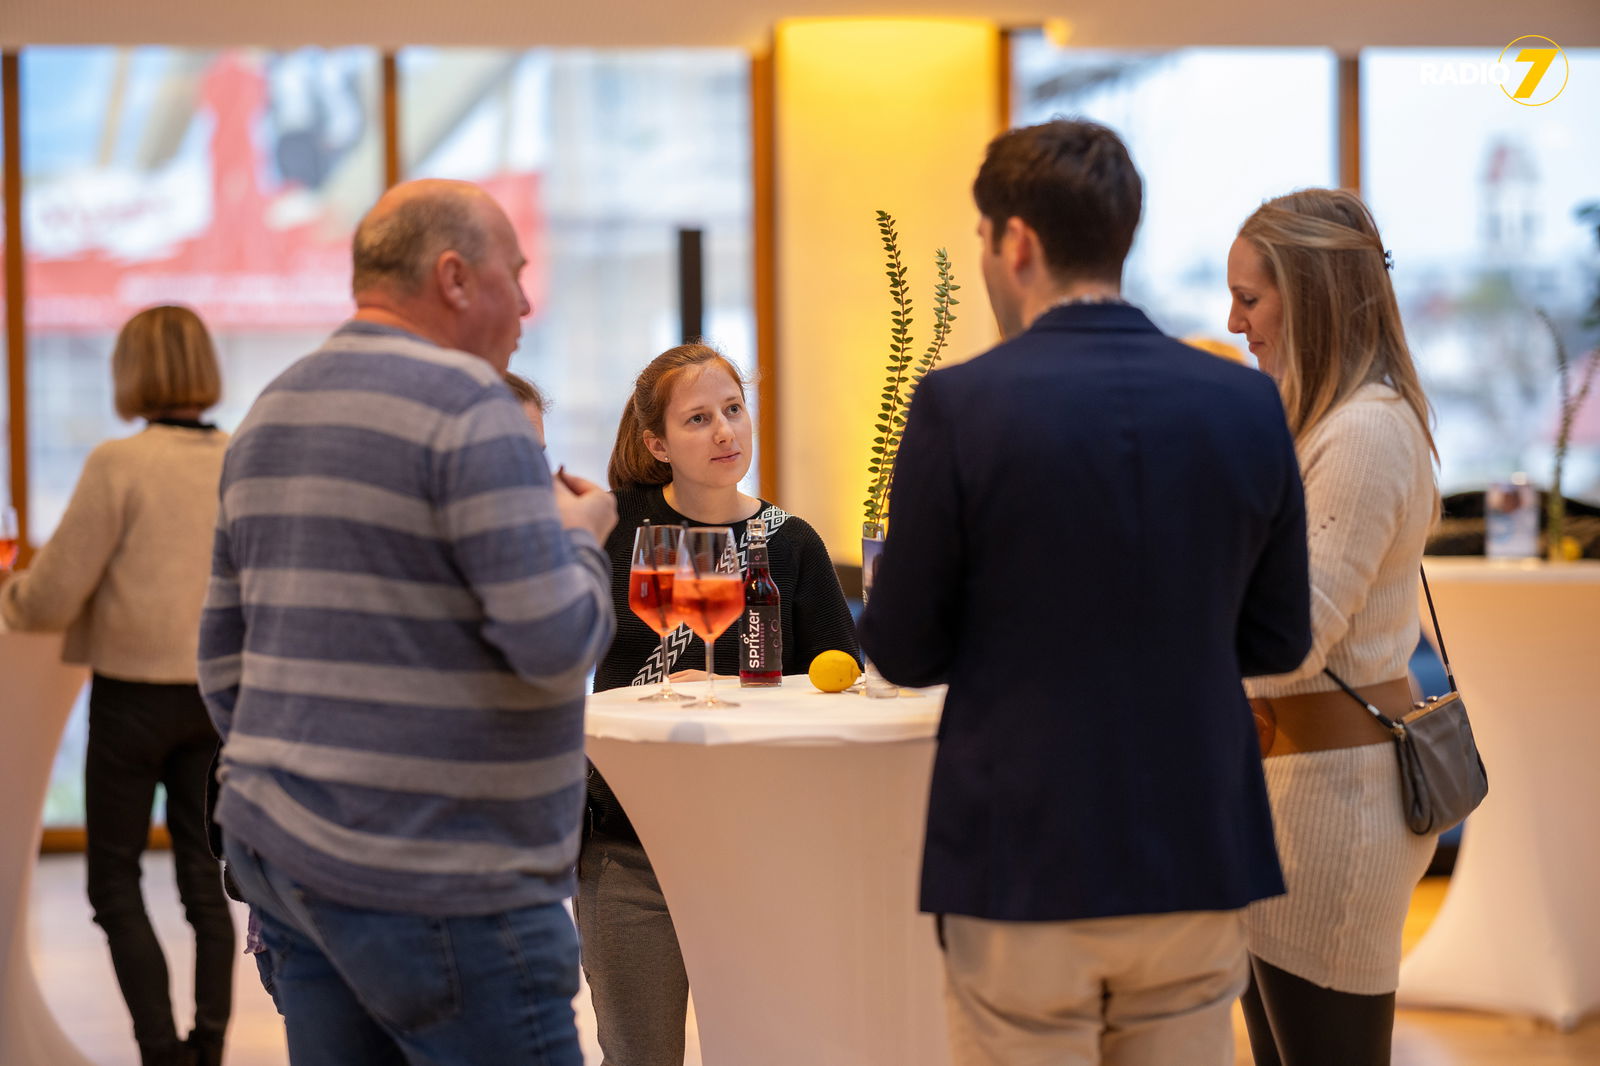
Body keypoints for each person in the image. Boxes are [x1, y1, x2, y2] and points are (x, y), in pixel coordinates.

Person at [858, 118, 1313, 1066]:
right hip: (1197, 848)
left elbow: (900, 650)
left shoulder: (959, 405)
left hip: (1024, 856)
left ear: (1015, 241)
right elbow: (1277, 640)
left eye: (982, 237)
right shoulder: (1242, 403)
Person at [198, 178, 617, 1065]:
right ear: (457, 278)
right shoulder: (472, 411)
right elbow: (554, 646)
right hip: (446, 876)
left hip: (287, 859)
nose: (527, 301)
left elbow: (224, 668)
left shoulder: (269, 412)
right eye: (517, 272)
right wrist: (580, 539)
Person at [580, 342, 859, 1066]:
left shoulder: (790, 544)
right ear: (656, 443)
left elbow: (839, 682)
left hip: (758, 843)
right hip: (627, 841)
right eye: (698, 419)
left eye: (734, 410)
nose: (726, 433)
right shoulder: (618, 529)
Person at [1227, 188, 1441, 1066]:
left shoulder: (1361, 436)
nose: (1233, 323)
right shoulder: (1318, 424)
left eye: (1250, 298)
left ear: (1309, 294)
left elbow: (1290, 638)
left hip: (1334, 808)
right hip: (1283, 796)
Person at [0, 305, 235, 1066]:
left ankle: (160, 1053)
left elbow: (51, 596)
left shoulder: (117, 464)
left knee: (113, 881)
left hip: (133, 701)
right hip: (216, 695)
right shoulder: (241, 456)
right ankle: (207, 1049)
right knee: (208, 884)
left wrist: (10, 591)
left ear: (129, 371)